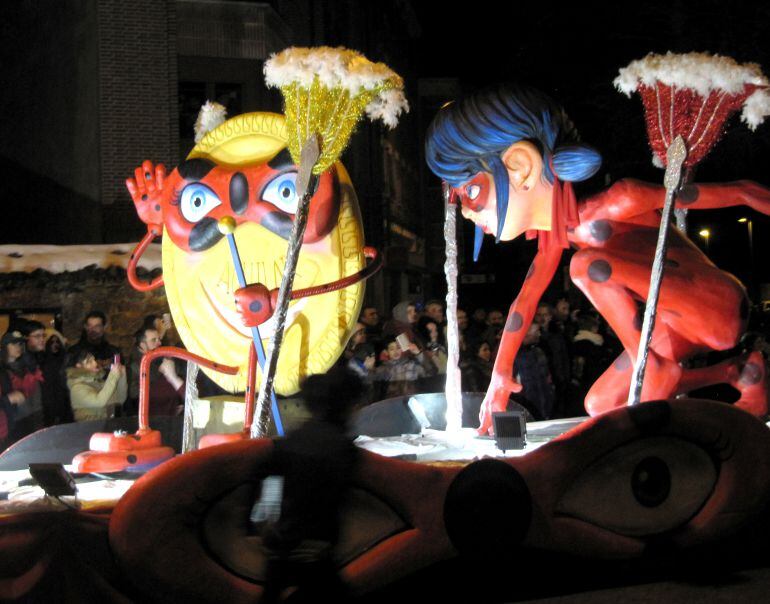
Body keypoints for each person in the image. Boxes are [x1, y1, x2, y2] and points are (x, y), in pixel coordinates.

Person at [426, 82, 770, 432]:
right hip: (671, 325)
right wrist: (500, 375)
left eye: (471, 191)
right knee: (600, 403)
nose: (467, 213)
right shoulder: (555, 239)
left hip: (716, 305)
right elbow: (523, 304)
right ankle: (739, 371)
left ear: (521, 165)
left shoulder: (620, 200)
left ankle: (651, 368)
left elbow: (742, 192)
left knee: (587, 267)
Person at [260, 368, 362, 602]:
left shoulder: (291, 440)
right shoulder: (342, 448)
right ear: (344, 406)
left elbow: (269, 479)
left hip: (282, 545)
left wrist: (266, 521)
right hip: (312, 549)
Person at [128, 327, 185, 416]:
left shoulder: (159, 356)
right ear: (143, 345)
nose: (159, 343)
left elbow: (178, 373)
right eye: (153, 340)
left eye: (159, 339)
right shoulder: (135, 366)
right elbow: (134, 394)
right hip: (152, 416)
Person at [1, 330, 44, 441]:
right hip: (8, 425)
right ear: (5, 346)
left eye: (20, 344)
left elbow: (36, 397)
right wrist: (8, 399)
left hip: (29, 419)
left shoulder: (28, 366)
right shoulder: (2, 370)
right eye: (13, 343)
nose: (18, 347)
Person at [66, 350, 127, 422]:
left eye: (94, 360)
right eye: (89, 362)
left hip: (106, 425)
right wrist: (113, 376)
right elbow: (100, 402)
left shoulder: (98, 382)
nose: (95, 363)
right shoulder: (77, 388)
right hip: (89, 429)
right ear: (79, 366)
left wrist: (122, 376)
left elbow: (119, 399)